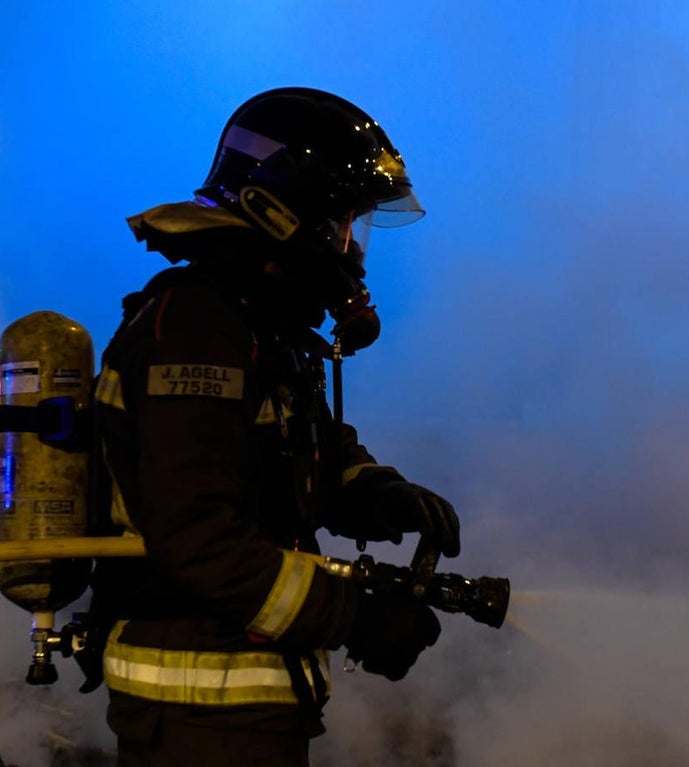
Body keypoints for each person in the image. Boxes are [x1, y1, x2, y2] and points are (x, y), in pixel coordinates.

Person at [83, 87, 461, 767]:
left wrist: (379, 492)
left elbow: (307, 449)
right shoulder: (196, 332)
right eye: (345, 220)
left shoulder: (256, 329)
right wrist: (355, 615)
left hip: (236, 712)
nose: (353, 249)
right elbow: (198, 539)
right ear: (287, 210)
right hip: (195, 715)